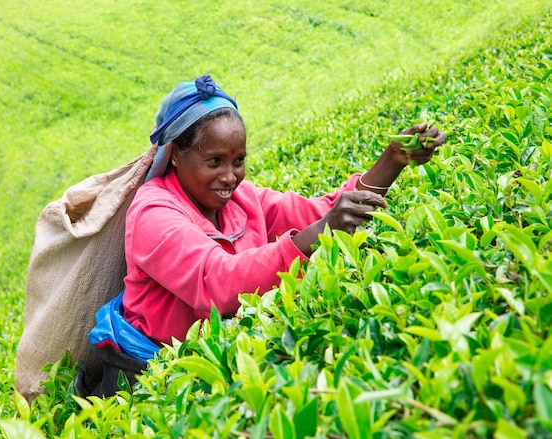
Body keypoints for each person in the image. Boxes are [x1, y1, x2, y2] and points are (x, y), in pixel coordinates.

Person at [76, 74, 446, 397]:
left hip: (213, 361)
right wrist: (318, 232)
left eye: (238, 161)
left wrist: (391, 161)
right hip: (147, 375)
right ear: (174, 155)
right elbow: (216, 283)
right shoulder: (153, 213)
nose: (230, 176)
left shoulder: (241, 197)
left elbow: (320, 214)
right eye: (214, 161)